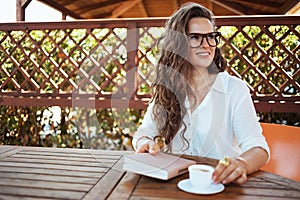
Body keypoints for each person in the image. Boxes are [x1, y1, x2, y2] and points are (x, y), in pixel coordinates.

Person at [132, 2, 270, 185]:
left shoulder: (233, 89)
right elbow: (143, 133)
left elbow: (259, 148)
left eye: (211, 37)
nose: (206, 45)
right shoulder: (167, 88)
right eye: (195, 37)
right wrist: (144, 142)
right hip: (173, 187)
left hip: (220, 187)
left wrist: (242, 163)